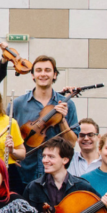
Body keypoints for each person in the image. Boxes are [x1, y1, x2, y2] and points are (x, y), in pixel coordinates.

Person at [10, 56, 78, 192]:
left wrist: (62, 120)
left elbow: (71, 143)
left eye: (47, 70)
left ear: (55, 75)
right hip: (25, 173)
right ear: (33, 75)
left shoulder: (67, 103)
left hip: (56, 176)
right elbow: (7, 136)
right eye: (39, 70)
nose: (43, 74)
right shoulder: (18, 104)